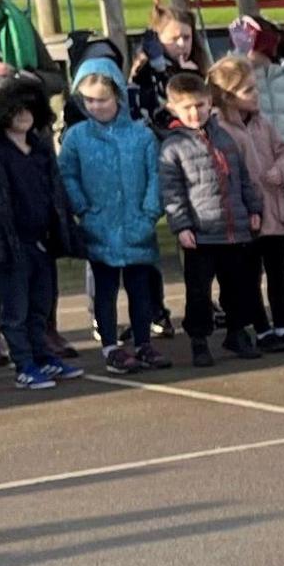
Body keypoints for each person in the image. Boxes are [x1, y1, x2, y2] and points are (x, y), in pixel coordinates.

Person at [0, 74, 77, 388]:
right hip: (14, 246)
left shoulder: (40, 151)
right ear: (2, 115)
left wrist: (62, 232)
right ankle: (24, 364)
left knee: (41, 305)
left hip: (42, 242)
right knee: (16, 311)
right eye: (15, 111)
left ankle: (42, 357)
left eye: (28, 109)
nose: (23, 116)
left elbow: (56, 194)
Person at [61, 53, 168, 370]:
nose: (96, 107)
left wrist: (149, 213)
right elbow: (67, 175)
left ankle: (143, 342)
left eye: (102, 100)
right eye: (89, 101)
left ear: (118, 96)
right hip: (99, 225)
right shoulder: (77, 137)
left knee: (140, 289)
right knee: (105, 291)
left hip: (137, 224)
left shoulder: (141, 135)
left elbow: (155, 176)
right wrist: (83, 207)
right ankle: (110, 347)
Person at [157, 69, 271, 365]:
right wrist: (181, 225)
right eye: (187, 108)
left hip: (233, 230)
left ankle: (236, 332)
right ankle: (198, 339)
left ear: (210, 104)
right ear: (173, 109)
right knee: (199, 291)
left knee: (238, 287)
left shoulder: (226, 139)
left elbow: (242, 177)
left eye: (200, 106)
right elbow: (172, 192)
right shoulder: (173, 148)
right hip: (200, 233)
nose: (195, 113)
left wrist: (253, 209)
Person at [203, 53, 284, 353]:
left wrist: (283, 170)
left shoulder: (263, 124)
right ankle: (261, 329)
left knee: (277, 271)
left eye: (255, 87)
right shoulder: (222, 130)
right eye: (248, 90)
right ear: (228, 97)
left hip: (275, 210)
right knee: (251, 275)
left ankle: (283, 325)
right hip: (250, 216)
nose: (256, 94)